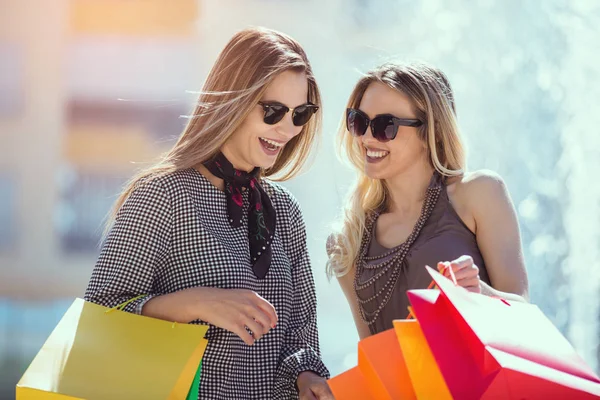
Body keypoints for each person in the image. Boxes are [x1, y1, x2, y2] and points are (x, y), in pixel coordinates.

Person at [85, 27, 333, 400]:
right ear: (234, 101)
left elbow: (301, 333)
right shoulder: (162, 195)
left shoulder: (285, 210)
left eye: (301, 114)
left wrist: (307, 375)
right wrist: (195, 303)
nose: (287, 129)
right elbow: (97, 318)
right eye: (273, 111)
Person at [326, 62, 529, 339]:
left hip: (479, 382)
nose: (367, 137)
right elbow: (371, 351)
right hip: (403, 384)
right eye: (359, 122)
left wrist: (481, 294)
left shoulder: (480, 193)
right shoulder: (348, 238)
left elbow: (525, 316)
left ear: (429, 131)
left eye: (385, 126)